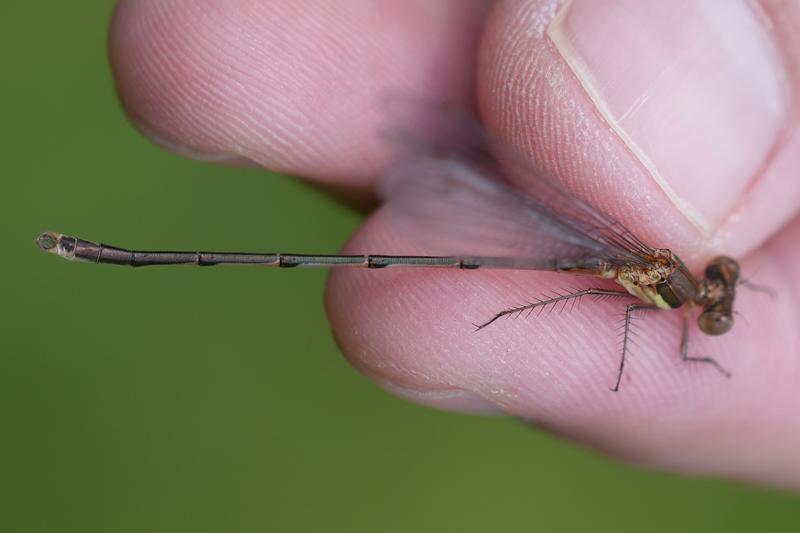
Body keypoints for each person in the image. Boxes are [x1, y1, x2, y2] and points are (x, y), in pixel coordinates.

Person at [108, 0, 800, 490]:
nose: (715, 294)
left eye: (716, 302)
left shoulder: (671, 271)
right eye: (718, 295)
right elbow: (624, 313)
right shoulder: (665, 287)